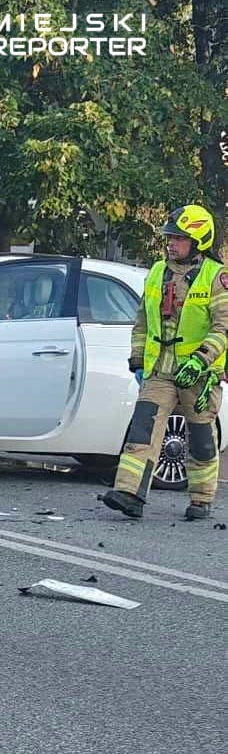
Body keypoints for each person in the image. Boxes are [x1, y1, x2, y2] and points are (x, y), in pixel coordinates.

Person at [102, 204, 228, 521]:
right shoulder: (158, 271)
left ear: (199, 241)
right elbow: (143, 321)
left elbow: (223, 327)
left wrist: (201, 360)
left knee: (200, 438)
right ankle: (130, 493)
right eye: (170, 238)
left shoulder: (217, 277)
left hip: (198, 376)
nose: (171, 243)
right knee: (142, 429)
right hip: (160, 371)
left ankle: (201, 499)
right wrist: (137, 360)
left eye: (179, 238)